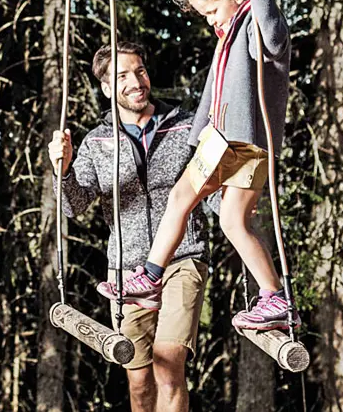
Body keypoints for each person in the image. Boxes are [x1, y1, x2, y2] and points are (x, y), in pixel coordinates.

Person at [101, 0, 300, 331]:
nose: (209, 20)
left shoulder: (254, 22)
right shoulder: (233, 32)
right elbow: (217, 88)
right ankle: (276, 298)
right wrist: (199, 132)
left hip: (233, 140)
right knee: (232, 220)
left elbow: (275, 42)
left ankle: (149, 278)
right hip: (248, 143)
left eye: (212, 10)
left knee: (180, 198)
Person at [49, 42, 208, 412]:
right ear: (106, 88)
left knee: (168, 365)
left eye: (140, 71)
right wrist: (65, 170)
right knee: (139, 383)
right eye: (122, 75)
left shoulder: (186, 125)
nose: (136, 81)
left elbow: (211, 190)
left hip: (184, 258)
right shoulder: (96, 142)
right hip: (126, 268)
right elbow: (74, 204)